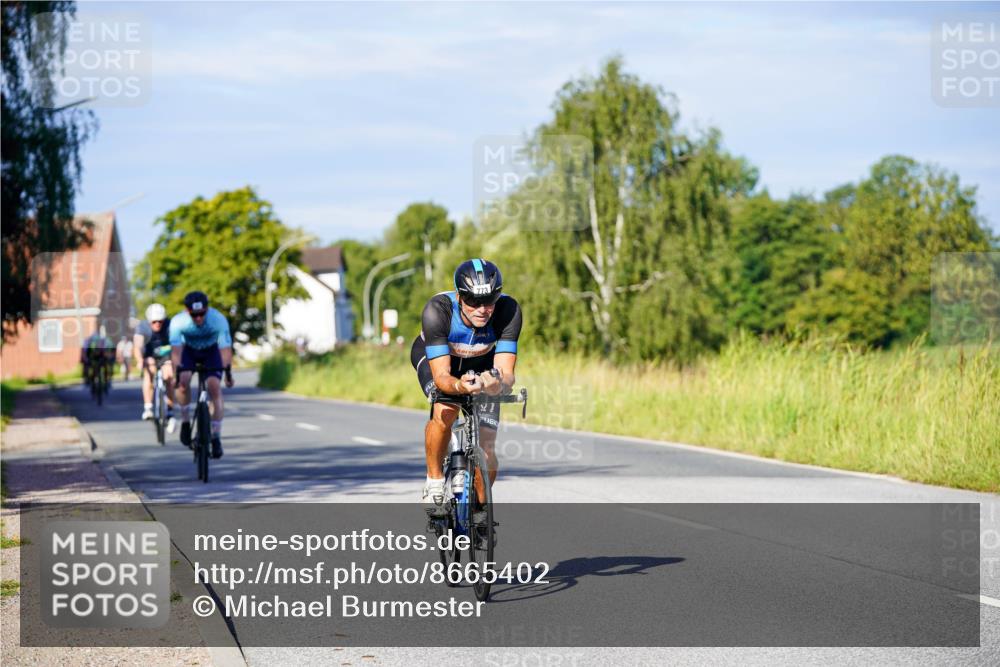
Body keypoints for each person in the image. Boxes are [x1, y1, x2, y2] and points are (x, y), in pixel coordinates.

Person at [410, 258, 522, 516]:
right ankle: (435, 481)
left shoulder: (508, 311)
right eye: (473, 301)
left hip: (482, 364)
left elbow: (506, 373)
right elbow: (442, 377)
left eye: (490, 301)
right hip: (441, 362)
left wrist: (497, 383)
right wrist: (459, 385)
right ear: (459, 297)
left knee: (488, 446)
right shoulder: (438, 310)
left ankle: (478, 507)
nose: (482, 309)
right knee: (445, 412)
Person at [169, 291, 234, 459]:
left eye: (201, 314)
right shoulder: (178, 322)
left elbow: (225, 349)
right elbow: (176, 352)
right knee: (183, 381)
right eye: (194, 315)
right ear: (186, 311)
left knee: (214, 387)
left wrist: (228, 372)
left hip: (211, 352)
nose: (198, 318)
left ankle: (216, 436)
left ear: (207, 309)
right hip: (189, 351)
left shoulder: (218, 320)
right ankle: (185, 421)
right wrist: (177, 375)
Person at [135, 303, 176, 430]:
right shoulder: (142, 327)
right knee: (150, 372)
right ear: (149, 321)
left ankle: (169, 410)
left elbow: (177, 345)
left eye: (160, 321)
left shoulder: (170, 326)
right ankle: (148, 407)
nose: (157, 324)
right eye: (154, 322)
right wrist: (140, 360)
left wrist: (174, 362)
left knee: (169, 377)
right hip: (150, 354)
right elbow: (137, 346)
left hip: (166, 354)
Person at [80, 325, 115, 390]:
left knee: (92, 368)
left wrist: (85, 359)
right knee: (105, 367)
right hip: (99, 357)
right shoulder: (102, 340)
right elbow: (108, 349)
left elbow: (84, 350)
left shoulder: (89, 340)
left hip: (94, 357)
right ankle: (107, 381)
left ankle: (89, 381)